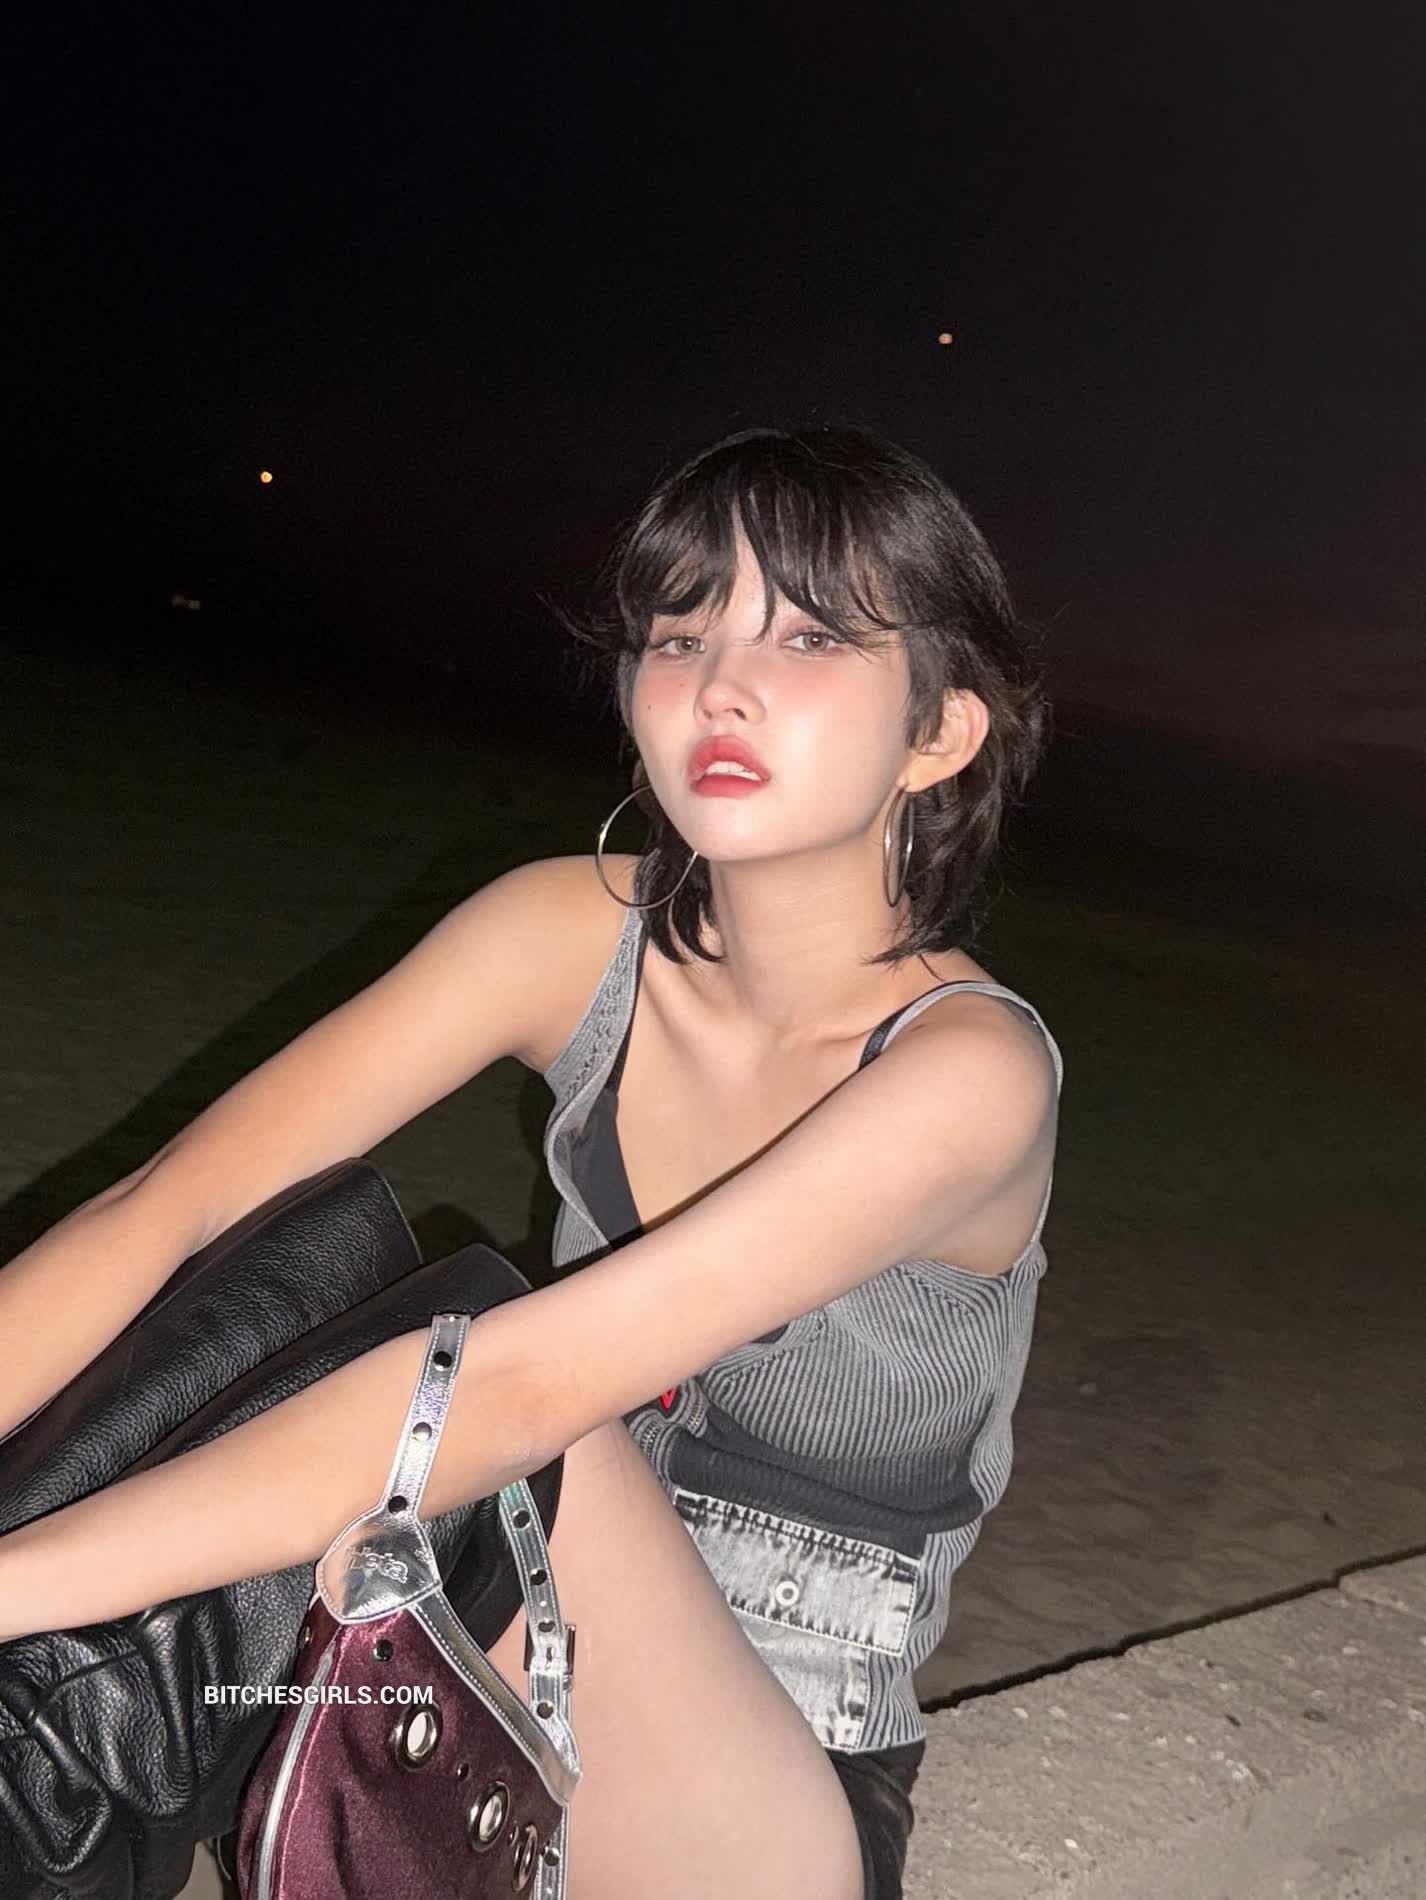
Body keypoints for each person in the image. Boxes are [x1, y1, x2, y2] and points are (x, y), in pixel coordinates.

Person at [0, 424, 1062, 1900]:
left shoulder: (971, 1075)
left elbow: (512, 1396)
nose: (721, 685)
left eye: (811, 637)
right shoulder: (563, 931)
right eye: (680, 635)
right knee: (305, 1262)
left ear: (939, 731)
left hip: (755, 1797)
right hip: (467, 1638)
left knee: (479, 1373)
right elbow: (163, 1208)